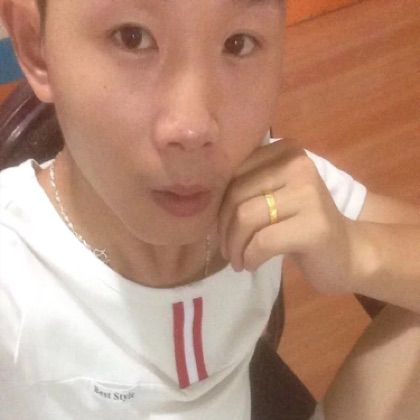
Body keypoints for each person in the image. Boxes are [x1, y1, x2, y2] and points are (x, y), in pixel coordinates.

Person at [0, 0, 419, 418]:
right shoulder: (14, 270)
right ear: (37, 46)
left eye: (238, 43)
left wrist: (357, 251)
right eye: (132, 37)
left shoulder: (267, 184)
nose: (193, 127)